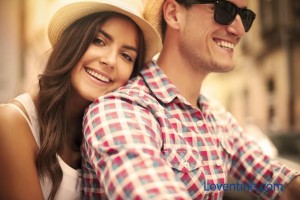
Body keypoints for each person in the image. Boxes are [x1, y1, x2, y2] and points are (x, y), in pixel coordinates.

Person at [81, 0, 300, 199]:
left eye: (246, 16)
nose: (239, 30)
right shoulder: (121, 110)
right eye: (224, 10)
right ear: (174, 14)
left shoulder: (215, 116)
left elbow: (278, 181)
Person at [0, 0, 161, 199]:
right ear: (73, 41)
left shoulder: (109, 130)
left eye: (126, 56)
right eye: (99, 41)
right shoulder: (11, 122)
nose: (110, 61)